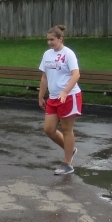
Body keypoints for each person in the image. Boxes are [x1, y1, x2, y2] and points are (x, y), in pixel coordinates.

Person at [38, 25, 82, 175]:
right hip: (53, 97)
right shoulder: (47, 54)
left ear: (60, 39)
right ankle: (70, 149)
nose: (50, 42)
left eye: (53, 39)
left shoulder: (68, 54)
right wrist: (41, 95)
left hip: (69, 96)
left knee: (66, 129)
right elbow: (44, 77)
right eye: (48, 40)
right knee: (49, 129)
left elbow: (76, 75)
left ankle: (67, 163)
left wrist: (65, 92)